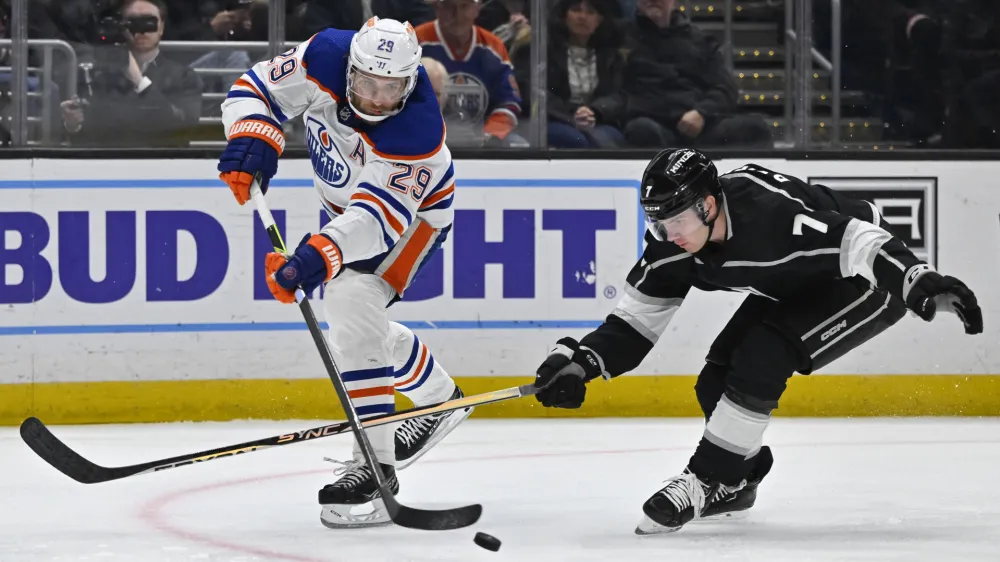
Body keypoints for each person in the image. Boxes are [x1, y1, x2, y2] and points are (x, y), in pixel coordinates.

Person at [531, 148, 984, 534]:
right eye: (657, 223)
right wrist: (581, 363)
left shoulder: (771, 216)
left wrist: (916, 278)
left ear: (709, 206)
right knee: (715, 380)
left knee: (764, 354)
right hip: (798, 283)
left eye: (677, 221)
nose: (668, 235)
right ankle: (736, 482)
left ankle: (706, 479)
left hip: (868, 278)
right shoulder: (673, 241)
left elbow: (860, 242)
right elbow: (636, 321)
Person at [216, 16, 472, 529]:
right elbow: (253, 88)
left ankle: (377, 467)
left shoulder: (416, 128)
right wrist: (253, 135)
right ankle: (438, 397)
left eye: (391, 87)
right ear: (349, 68)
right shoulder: (324, 55)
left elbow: (376, 222)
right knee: (357, 319)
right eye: (367, 84)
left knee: (352, 296)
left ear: (411, 81)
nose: (377, 99)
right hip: (344, 211)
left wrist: (316, 257)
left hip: (411, 218)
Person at [58, 0, 203, 147]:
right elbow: (88, 137)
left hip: (162, 161)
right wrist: (73, 124)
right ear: (122, 27)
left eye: (149, 22)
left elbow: (184, 129)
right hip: (112, 160)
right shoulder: (99, 74)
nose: (142, 31)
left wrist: (139, 82)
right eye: (133, 22)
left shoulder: (184, 76)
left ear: (161, 27)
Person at [416, 0, 524, 147]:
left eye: (464, 6)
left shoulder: (493, 47)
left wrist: (491, 133)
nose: (458, 15)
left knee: (519, 144)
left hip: (483, 139)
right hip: (428, 138)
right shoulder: (416, 43)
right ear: (438, 8)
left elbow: (509, 102)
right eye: (450, 7)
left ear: (477, 9)